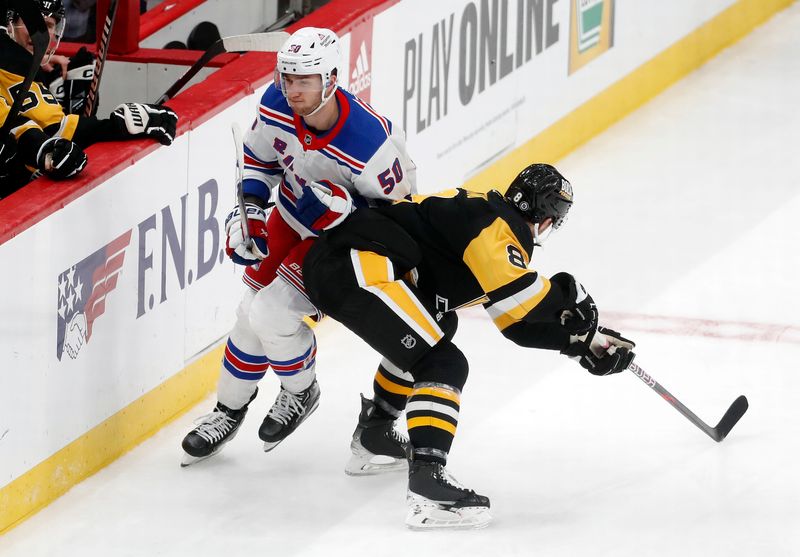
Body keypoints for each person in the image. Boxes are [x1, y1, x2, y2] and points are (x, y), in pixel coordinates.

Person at [302, 163, 636, 529]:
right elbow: (521, 293)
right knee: (443, 363)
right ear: (547, 216)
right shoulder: (493, 224)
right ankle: (428, 481)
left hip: (354, 265)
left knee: (441, 323)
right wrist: (574, 296)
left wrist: (581, 343)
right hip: (355, 266)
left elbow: (516, 324)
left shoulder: (492, 226)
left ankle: (375, 434)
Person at [180, 27, 417, 474]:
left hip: (341, 243)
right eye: (287, 78)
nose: (292, 90)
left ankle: (300, 390)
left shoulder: (370, 144)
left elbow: (401, 218)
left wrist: (348, 212)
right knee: (248, 311)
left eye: (304, 80)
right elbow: (259, 158)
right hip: (289, 218)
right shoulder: (275, 103)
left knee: (270, 313)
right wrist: (250, 208)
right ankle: (228, 412)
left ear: (330, 79)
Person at [1, 0, 177, 196]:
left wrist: (113, 125)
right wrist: (115, 127)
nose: (40, 32)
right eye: (33, 23)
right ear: (9, 22)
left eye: (49, 25)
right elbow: (33, 130)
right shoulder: (12, 71)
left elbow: (54, 131)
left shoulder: (25, 73)